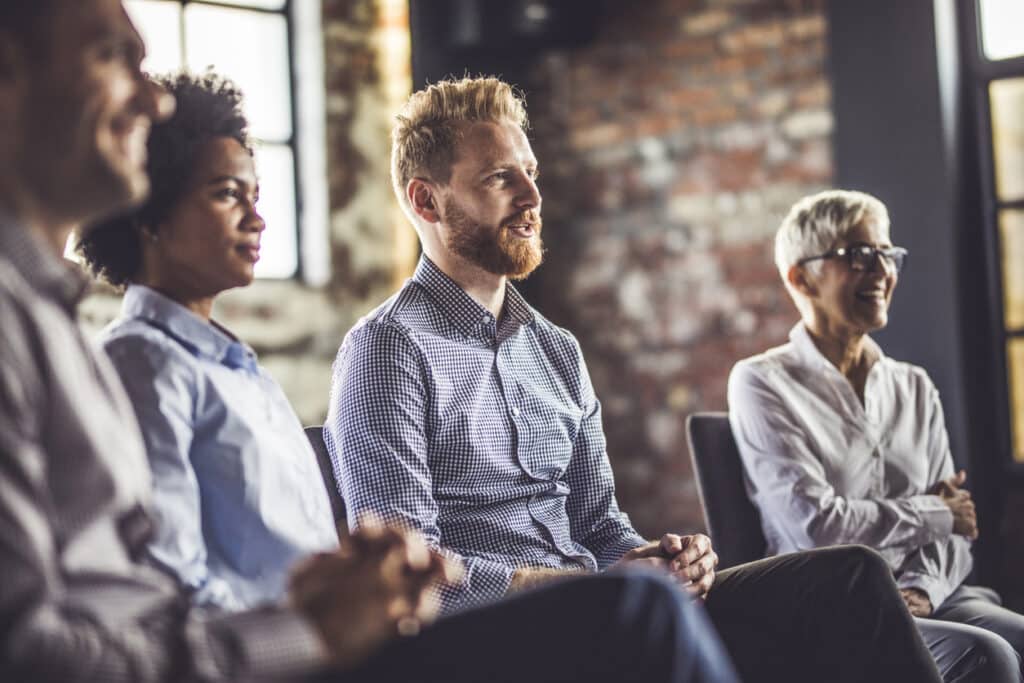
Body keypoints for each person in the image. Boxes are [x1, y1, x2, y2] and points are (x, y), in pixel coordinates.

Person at [0, 2, 741, 681]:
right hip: (320, 650)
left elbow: (597, 521)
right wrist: (313, 626)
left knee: (832, 583)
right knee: (642, 613)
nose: (151, 98)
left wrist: (648, 557)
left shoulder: (213, 362)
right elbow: (111, 619)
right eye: (107, 55)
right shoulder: (143, 355)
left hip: (316, 640)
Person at [328, 75, 946, 683]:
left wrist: (665, 560)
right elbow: (409, 578)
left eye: (531, 174)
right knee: (645, 608)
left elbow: (600, 527)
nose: (532, 198)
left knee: (850, 578)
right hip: (500, 638)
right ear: (426, 201)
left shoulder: (555, 349)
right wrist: (599, 586)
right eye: (499, 178)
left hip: (608, 611)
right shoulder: (385, 351)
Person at [728, 189, 1024, 681]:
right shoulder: (760, 381)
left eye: (888, 255)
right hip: (833, 609)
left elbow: (956, 536)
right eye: (860, 256)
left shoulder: (913, 385)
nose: (883, 271)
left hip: (932, 594)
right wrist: (934, 512)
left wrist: (922, 590)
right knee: (985, 658)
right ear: (800, 276)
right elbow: (815, 529)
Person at [76, 71, 339, 612]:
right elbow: (171, 586)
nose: (258, 220)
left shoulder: (239, 368)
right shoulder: (141, 363)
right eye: (226, 195)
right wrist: (315, 630)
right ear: (150, 216)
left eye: (255, 196)